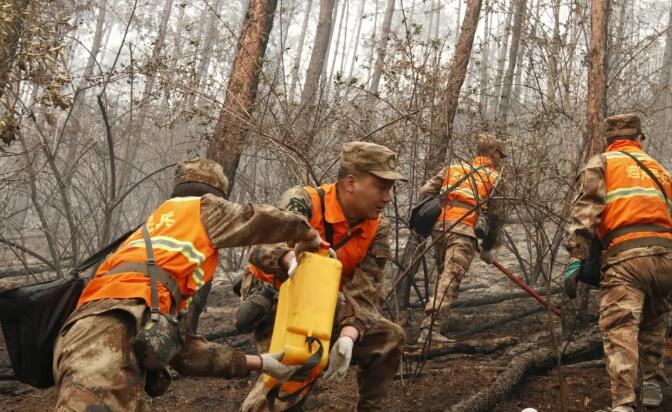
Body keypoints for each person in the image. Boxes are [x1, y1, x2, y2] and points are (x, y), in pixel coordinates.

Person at [53, 158, 320, 411]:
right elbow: (254, 218)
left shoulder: (155, 237)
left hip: (80, 335)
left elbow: (184, 352)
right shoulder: (198, 207)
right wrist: (308, 233)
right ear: (215, 197)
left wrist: (260, 362)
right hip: (108, 337)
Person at [238, 142, 407, 411]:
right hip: (276, 299)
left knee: (389, 338)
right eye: (381, 187)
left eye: (390, 189)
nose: (387, 198)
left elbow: (367, 293)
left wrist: (348, 337)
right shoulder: (305, 201)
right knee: (300, 359)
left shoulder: (378, 228)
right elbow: (261, 247)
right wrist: (291, 261)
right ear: (351, 182)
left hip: (320, 304)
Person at [564, 114, 672, 412]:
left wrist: (576, 257)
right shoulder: (659, 170)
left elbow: (587, 210)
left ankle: (623, 404)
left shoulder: (603, 163)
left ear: (609, 140)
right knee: (654, 321)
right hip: (667, 258)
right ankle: (652, 382)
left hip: (627, 259)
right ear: (640, 138)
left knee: (620, 327)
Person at [416, 134, 506, 344]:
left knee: (443, 276)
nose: (500, 159)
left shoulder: (453, 169)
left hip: (440, 228)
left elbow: (425, 191)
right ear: (492, 153)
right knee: (450, 280)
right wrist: (488, 247)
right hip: (464, 231)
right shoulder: (494, 178)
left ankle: (435, 323)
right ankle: (429, 332)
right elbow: (495, 216)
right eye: (500, 155)